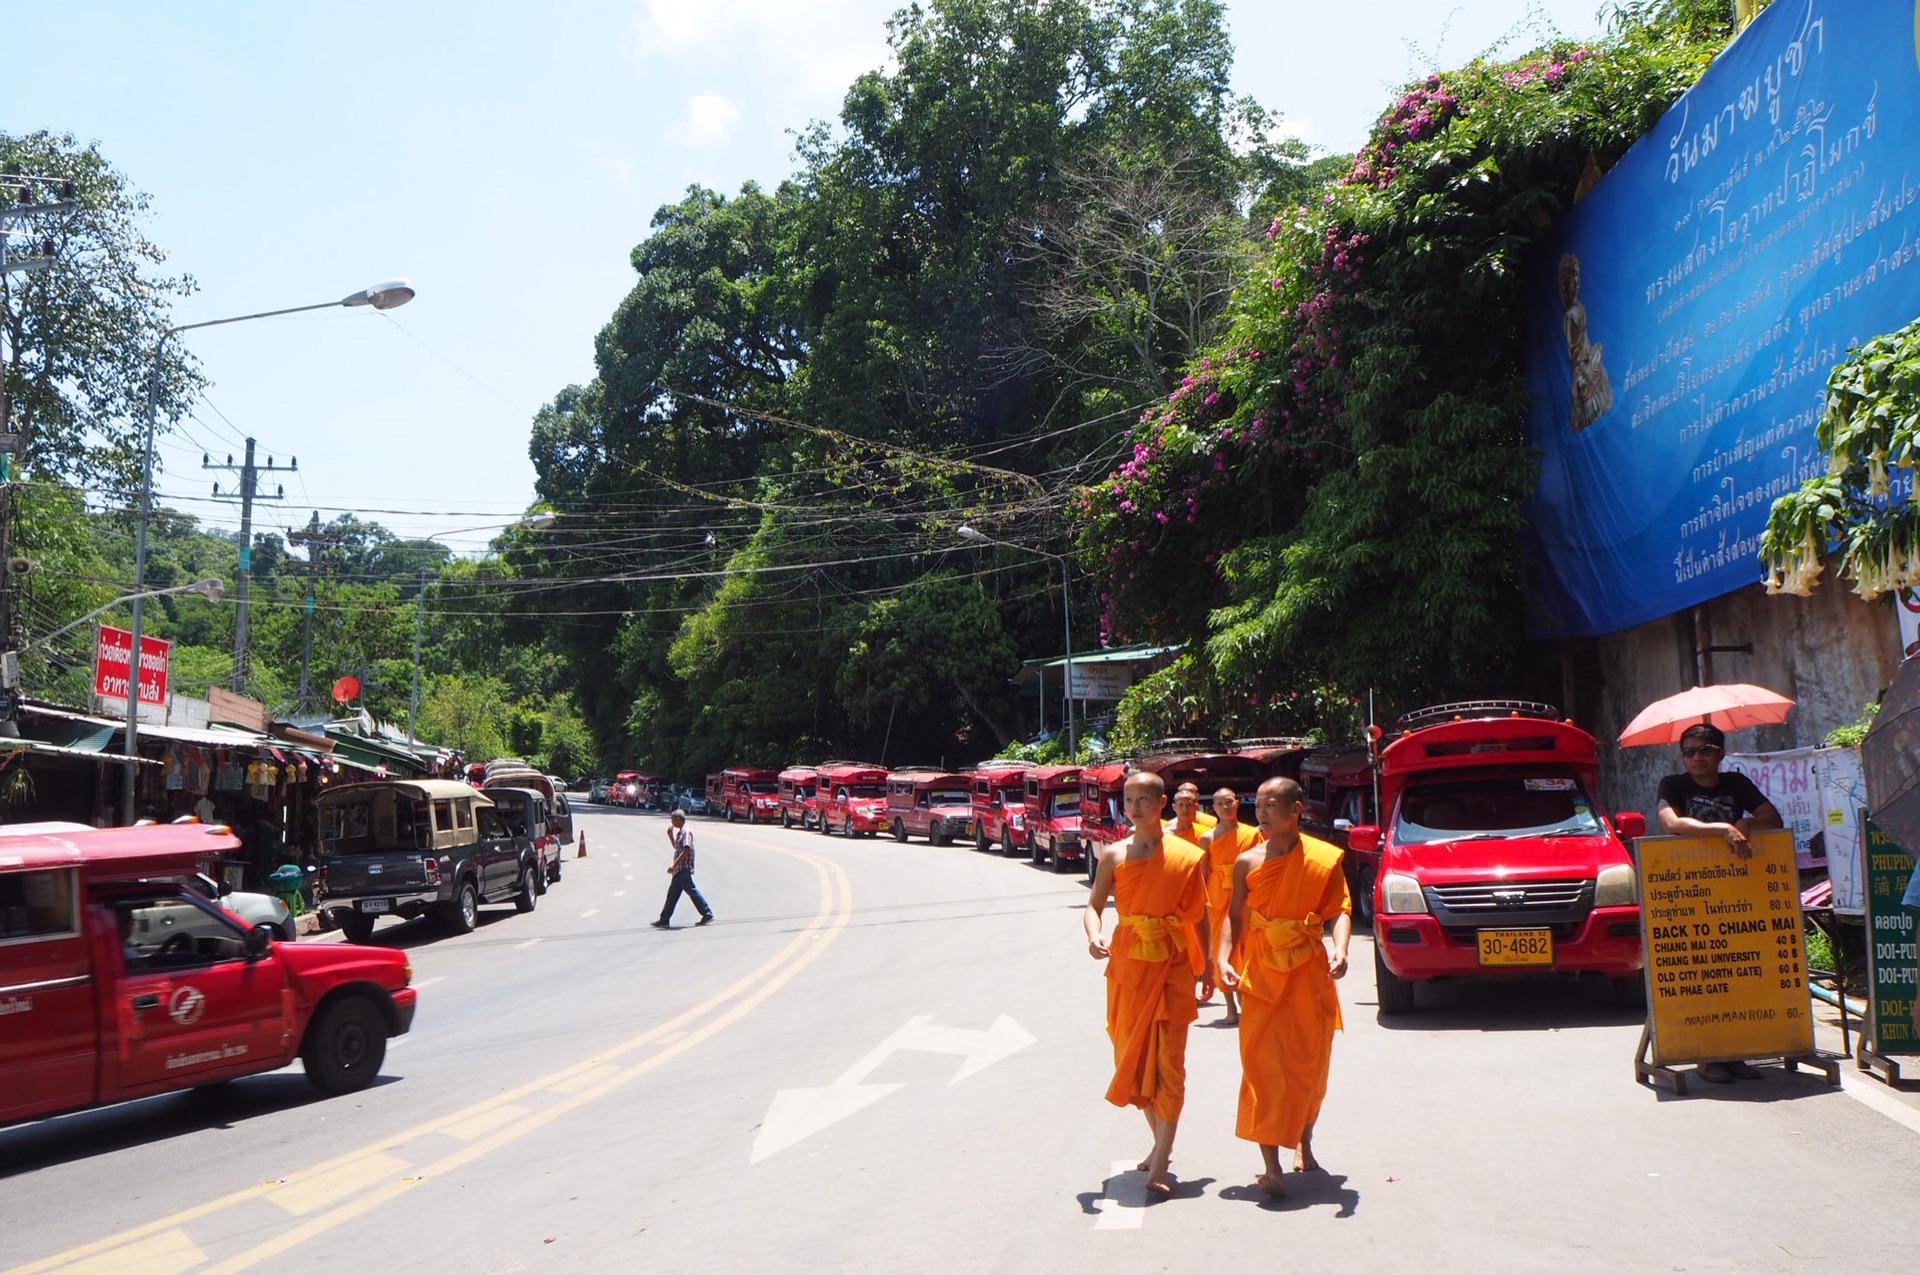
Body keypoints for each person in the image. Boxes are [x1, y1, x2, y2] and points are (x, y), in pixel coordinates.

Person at [1218, 777, 1350, 1198]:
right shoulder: (1248, 862)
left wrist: (1341, 949)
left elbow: (1340, 910)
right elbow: (1232, 917)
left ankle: (1304, 1139)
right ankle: (1270, 1165)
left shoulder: (1323, 859)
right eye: (1258, 805)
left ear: (1296, 809)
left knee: (1309, 1065)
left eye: (1271, 805)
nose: (1262, 813)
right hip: (1260, 977)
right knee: (1261, 1067)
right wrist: (1221, 959)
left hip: (1308, 975)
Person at [1084, 771, 1213, 1196]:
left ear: (1162, 804)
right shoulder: (1113, 855)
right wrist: (1093, 933)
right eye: (1129, 798)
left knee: (1170, 1066)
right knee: (1133, 1056)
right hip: (1126, 967)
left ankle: (1160, 1160)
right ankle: (1161, 1140)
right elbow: (1094, 906)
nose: (1134, 806)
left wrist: (1208, 965)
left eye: (1143, 799)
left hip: (1172, 966)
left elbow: (1200, 915)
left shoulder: (1184, 855)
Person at [1655, 723, 1783, 1082]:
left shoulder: (1737, 785)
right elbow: (1671, 824)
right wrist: (1723, 829)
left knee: (1737, 973)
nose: (1698, 757)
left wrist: (1745, 822)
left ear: (1721, 754)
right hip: (1689, 894)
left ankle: (1736, 1051)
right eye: (1690, 751)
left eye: (1705, 750)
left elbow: (1773, 817)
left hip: (1735, 894)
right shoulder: (1673, 785)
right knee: (1703, 975)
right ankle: (1707, 1055)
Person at [1201, 787, 1263, 1027]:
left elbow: (1260, 866)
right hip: (1218, 900)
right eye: (1220, 803)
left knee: (1246, 952)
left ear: (1237, 804)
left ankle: (1247, 1003)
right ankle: (1230, 1008)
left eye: (1229, 802)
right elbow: (1202, 872)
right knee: (1222, 952)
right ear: (1213, 808)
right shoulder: (1208, 838)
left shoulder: (1251, 834)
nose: (1225, 807)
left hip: (1246, 896)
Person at [651, 810, 714, 929]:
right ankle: (664, 919)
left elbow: (686, 850)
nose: (671, 822)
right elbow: (677, 848)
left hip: (683, 868)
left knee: (691, 891)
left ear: (679, 819)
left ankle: (707, 913)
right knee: (672, 895)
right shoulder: (680, 832)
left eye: (672, 819)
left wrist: (674, 865)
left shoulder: (686, 831)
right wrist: (670, 837)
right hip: (679, 869)